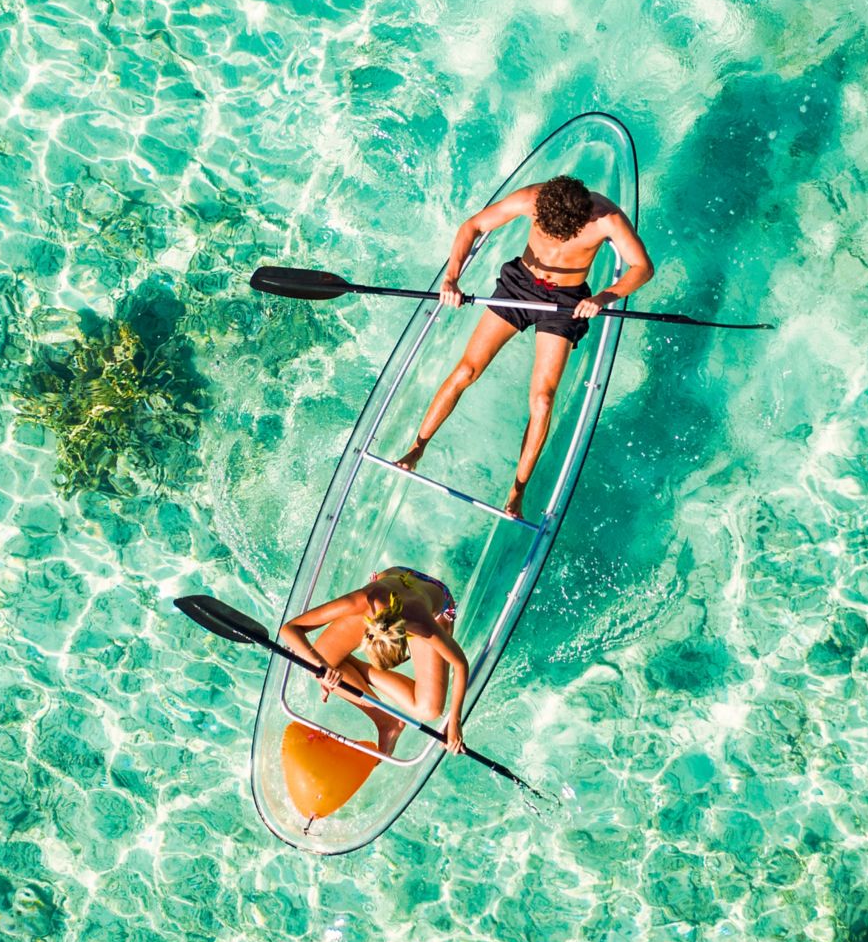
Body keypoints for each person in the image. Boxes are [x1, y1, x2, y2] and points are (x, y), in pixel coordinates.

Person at [395, 174, 654, 518]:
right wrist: (451, 278)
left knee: (543, 399)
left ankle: (517, 492)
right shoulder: (532, 199)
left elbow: (643, 267)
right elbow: (472, 226)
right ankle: (416, 448)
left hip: (565, 302)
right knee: (467, 370)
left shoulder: (606, 217)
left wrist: (603, 297)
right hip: (519, 287)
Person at [275, 566, 469, 756]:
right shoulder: (362, 601)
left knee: (429, 710)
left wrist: (455, 721)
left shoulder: (423, 626)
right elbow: (290, 628)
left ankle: (348, 666)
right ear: (368, 632)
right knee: (314, 663)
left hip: (435, 606)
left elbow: (460, 664)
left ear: (406, 637)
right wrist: (321, 666)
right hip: (391, 586)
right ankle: (387, 722)